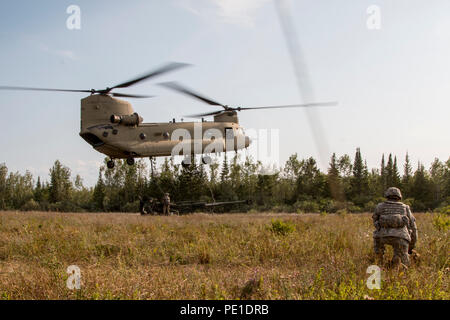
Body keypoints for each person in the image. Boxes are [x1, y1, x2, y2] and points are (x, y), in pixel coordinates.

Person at [372, 187, 418, 267]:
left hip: (382, 235)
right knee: (403, 259)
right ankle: (402, 271)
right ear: (399, 196)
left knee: (378, 254)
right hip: (401, 236)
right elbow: (413, 227)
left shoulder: (380, 206)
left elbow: (375, 221)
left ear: (387, 195)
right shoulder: (405, 208)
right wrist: (411, 246)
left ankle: (379, 264)